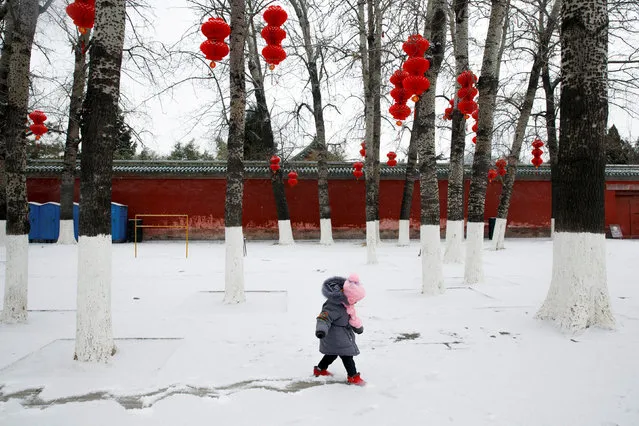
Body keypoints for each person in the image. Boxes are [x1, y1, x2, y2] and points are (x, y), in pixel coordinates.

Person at [314, 273, 366, 385]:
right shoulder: (334, 306)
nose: (356, 302)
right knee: (347, 356)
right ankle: (353, 376)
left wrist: (357, 327)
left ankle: (319, 369)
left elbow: (350, 318)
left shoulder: (346, 305)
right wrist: (321, 330)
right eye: (355, 299)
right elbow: (323, 318)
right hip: (335, 336)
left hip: (342, 335)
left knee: (331, 354)